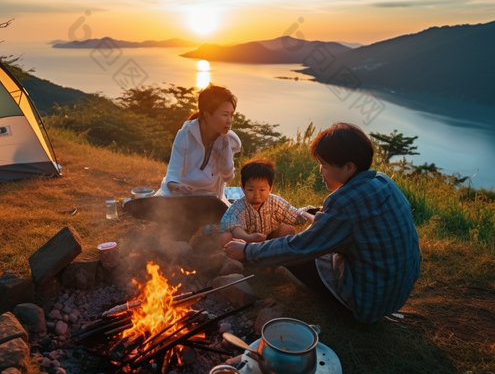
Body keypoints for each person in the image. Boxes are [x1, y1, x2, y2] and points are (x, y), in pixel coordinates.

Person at [223, 122, 421, 324]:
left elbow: (299, 248)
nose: (320, 172)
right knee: (317, 237)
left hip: (368, 301)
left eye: (325, 166)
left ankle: (282, 271)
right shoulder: (383, 181)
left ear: (349, 167)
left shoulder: (343, 203)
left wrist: (247, 250)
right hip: (398, 291)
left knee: (295, 250)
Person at [159, 85, 242, 204]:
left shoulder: (227, 140)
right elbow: (172, 173)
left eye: (231, 115)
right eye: (225, 115)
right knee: (163, 211)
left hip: (210, 199)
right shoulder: (185, 135)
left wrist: (225, 153)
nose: (229, 120)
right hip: (180, 195)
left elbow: (227, 177)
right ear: (207, 115)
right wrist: (178, 187)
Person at [218, 158, 314, 245]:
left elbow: (294, 214)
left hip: (268, 239)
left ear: (270, 189)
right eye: (251, 190)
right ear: (243, 188)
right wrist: (248, 238)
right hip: (243, 241)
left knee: (287, 229)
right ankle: (234, 260)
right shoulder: (238, 207)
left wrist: (311, 217)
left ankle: (275, 254)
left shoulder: (274, 202)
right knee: (225, 237)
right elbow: (236, 229)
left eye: (262, 190)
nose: (256, 195)